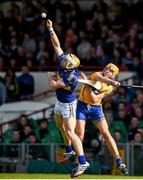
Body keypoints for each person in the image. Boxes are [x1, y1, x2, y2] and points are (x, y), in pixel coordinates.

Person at [46, 19, 89, 178]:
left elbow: (53, 85)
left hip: (68, 105)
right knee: (60, 126)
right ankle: (70, 150)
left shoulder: (71, 76)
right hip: (59, 102)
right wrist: (51, 30)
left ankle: (83, 161)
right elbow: (57, 46)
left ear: (70, 66)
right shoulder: (65, 63)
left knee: (71, 132)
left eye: (65, 60)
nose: (63, 59)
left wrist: (51, 77)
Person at [76, 63, 128, 175]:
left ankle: (119, 161)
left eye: (110, 71)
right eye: (107, 69)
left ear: (113, 75)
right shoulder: (97, 75)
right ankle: (79, 162)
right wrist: (111, 82)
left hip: (96, 108)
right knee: (80, 134)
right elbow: (100, 78)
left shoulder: (109, 88)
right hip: (82, 106)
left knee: (106, 133)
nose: (107, 71)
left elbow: (95, 99)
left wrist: (88, 85)